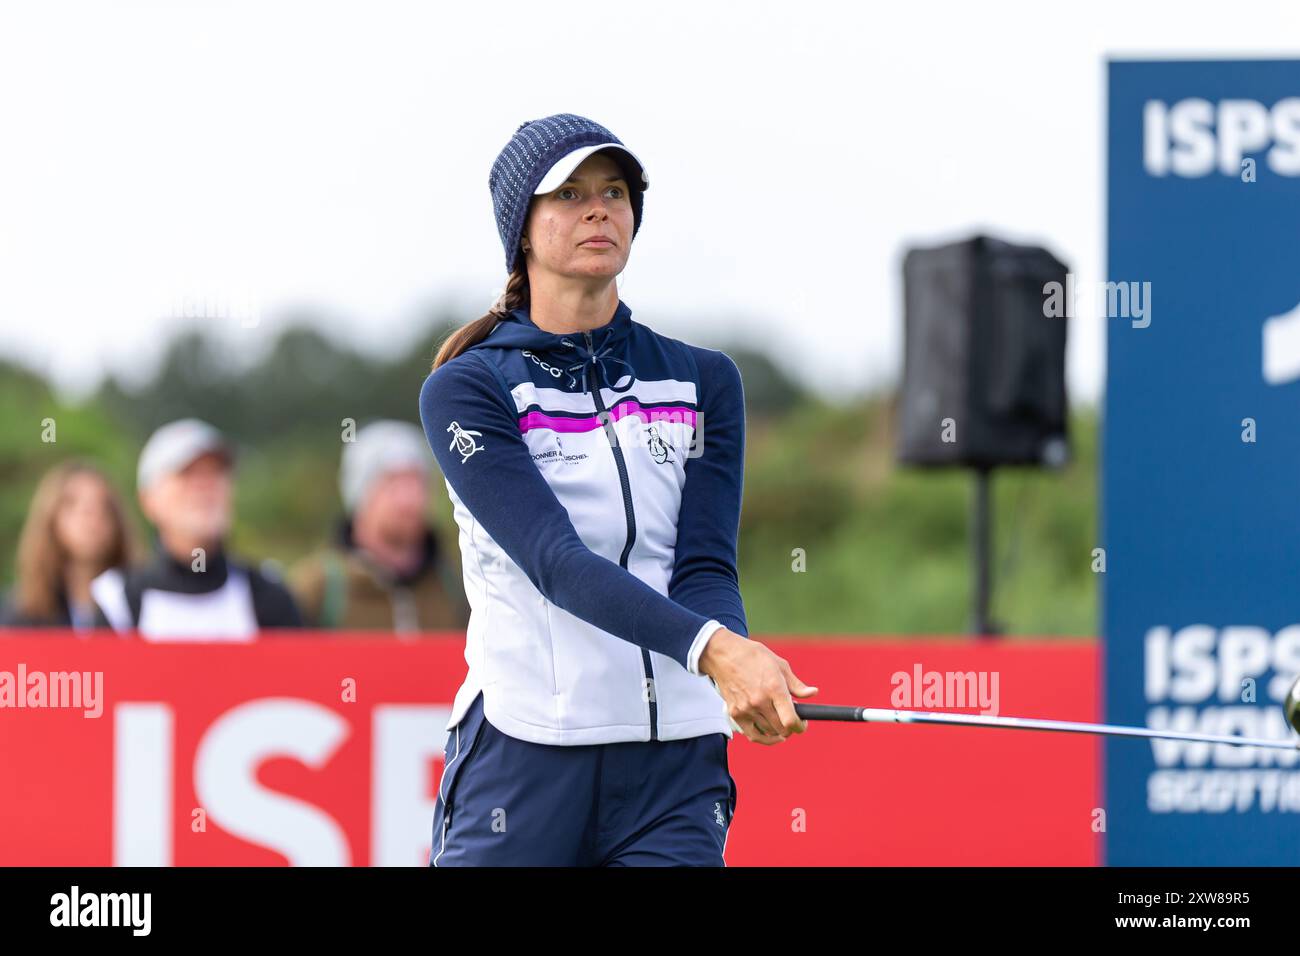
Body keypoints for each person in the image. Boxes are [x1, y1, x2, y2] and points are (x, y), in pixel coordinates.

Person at [418, 113, 818, 867]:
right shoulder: (468, 388)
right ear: (524, 231)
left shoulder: (704, 378)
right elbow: (556, 561)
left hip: (674, 769)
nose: (599, 208)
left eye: (615, 191)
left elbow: (702, 566)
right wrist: (719, 653)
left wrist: (726, 666)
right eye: (568, 194)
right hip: (526, 749)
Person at [89, 418, 303, 639]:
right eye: (187, 474)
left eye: (216, 473)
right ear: (148, 500)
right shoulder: (118, 601)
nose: (205, 486)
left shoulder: (268, 594)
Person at [289, 419, 470, 633]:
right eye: (391, 483)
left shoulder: (462, 586)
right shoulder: (316, 590)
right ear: (359, 495)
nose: (408, 499)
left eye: (418, 482)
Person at [0, 460, 138, 630]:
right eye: (72, 504)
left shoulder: (138, 607)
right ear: (50, 519)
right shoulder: (20, 614)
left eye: (103, 506)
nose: (91, 517)